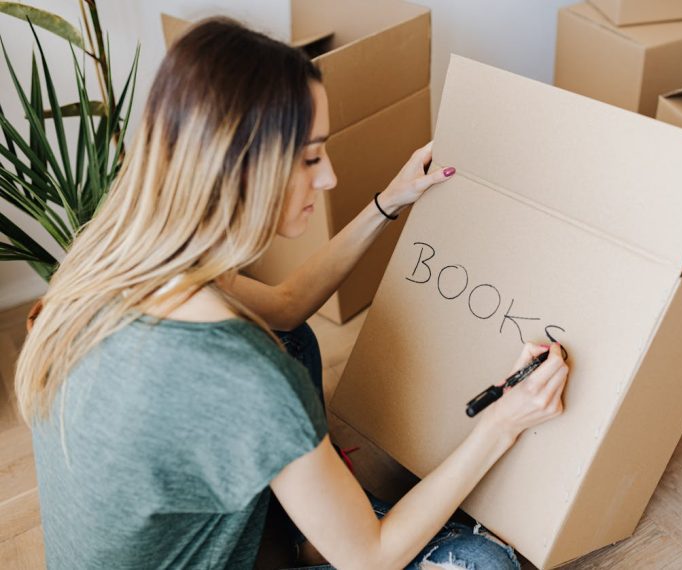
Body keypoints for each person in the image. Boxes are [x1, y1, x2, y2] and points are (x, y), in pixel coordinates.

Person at [15, 19, 569, 570]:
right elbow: (372, 559)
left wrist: (389, 202)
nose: (327, 178)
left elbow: (284, 305)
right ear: (243, 169)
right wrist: (504, 421)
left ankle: (310, 529)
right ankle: (319, 528)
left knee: (293, 337)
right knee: (485, 563)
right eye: (310, 157)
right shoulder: (247, 375)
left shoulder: (113, 258)